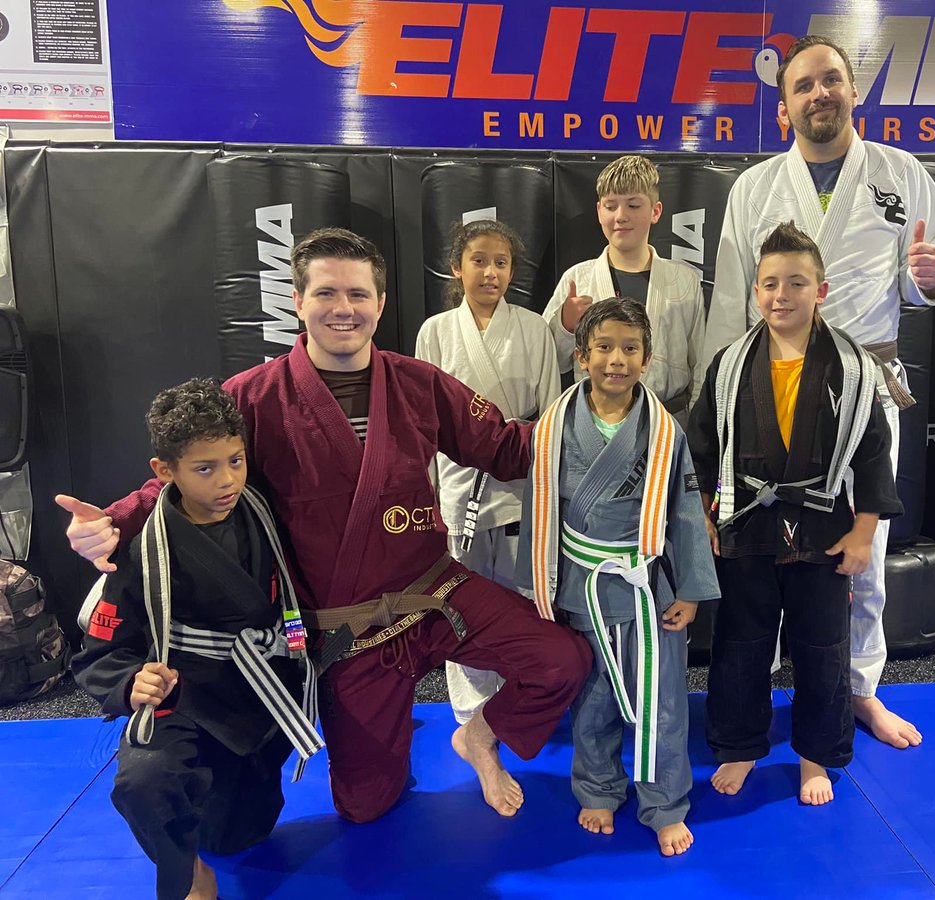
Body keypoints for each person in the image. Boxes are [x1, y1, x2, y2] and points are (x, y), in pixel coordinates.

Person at [58, 227, 592, 826]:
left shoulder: (418, 383)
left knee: (561, 660)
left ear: (380, 304)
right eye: (327, 293)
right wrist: (115, 521)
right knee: (366, 805)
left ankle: (478, 736)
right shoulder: (253, 397)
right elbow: (188, 476)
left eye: (358, 294)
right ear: (298, 301)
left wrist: (601, 412)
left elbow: (509, 447)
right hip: (347, 631)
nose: (344, 308)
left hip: (435, 593)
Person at [702, 35, 935, 750]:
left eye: (832, 80)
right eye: (804, 86)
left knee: (862, 551)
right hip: (771, 392)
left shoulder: (900, 173)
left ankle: (860, 689)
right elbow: (731, 301)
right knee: (761, 548)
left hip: (862, 386)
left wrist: (929, 277)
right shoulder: (755, 188)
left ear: (852, 90)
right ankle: (763, 688)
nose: (821, 93)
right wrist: (720, 395)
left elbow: (932, 277)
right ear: (783, 108)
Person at [72, 378, 320, 900]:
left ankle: (223, 812)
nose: (226, 480)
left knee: (239, 836)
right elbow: (101, 652)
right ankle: (188, 874)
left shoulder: (266, 512)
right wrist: (130, 681)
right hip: (185, 698)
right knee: (144, 781)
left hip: (260, 697)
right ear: (165, 471)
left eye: (235, 461)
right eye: (204, 469)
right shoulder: (142, 549)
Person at [688, 222, 902, 803]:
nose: (781, 295)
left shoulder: (854, 368)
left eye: (796, 283)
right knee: (740, 642)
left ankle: (815, 755)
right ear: (756, 291)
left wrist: (864, 532)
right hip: (745, 523)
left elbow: (874, 455)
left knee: (822, 646)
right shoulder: (730, 365)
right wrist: (704, 515)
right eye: (770, 283)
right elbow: (702, 448)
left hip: (825, 526)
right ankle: (739, 746)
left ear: (821, 291)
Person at [517, 298, 719, 855]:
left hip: (645, 586)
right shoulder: (553, 428)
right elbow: (539, 511)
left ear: (647, 359)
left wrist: (691, 591)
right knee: (593, 699)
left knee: (664, 701)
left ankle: (665, 803)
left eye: (630, 348)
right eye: (603, 347)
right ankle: (598, 788)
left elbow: (685, 511)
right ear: (581, 356)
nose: (617, 359)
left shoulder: (665, 431)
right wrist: (540, 586)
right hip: (580, 584)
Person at [414, 219, 559, 725]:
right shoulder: (435, 331)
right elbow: (423, 423)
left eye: (501, 262)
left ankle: (518, 704)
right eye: (478, 261)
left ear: (513, 271)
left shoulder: (535, 328)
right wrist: (427, 495)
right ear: (457, 268)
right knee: (464, 602)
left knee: (524, 600)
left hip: (519, 482)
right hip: (458, 480)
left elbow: (549, 416)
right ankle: (471, 712)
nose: (490, 272)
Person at [543, 154, 707, 419]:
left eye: (633, 205)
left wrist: (698, 425)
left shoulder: (684, 281)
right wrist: (565, 326)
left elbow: (701, 363)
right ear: (599, 211)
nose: (620, 216)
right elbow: (549, 364)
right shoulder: (578, 279)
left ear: (655, 211)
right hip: (594, 417)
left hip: (669, 418)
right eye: (611, 206)